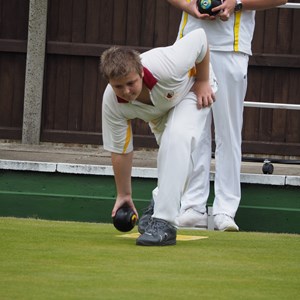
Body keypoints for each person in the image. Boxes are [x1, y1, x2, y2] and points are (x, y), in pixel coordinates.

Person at [167, 0, 287, 231]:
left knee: (228, 133)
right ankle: (192, 207)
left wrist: (237, 4)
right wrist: (188, 5)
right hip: (189, 45)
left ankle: (225, 210)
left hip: (231, 48)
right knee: (193, 132)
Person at [100, 28, 217, 246]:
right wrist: (124, 195)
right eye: (118, 86)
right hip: (160, 113)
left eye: (131, 83)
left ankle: (164, 223)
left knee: (177, 139)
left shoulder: (167, 64)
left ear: (141, 72)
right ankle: (159, 201)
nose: (126, 91)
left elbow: (200, 37)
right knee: (174, 156)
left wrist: (203, 80)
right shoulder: (112, 103)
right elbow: (121, 150)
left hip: (193, 88)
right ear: (109, 83)